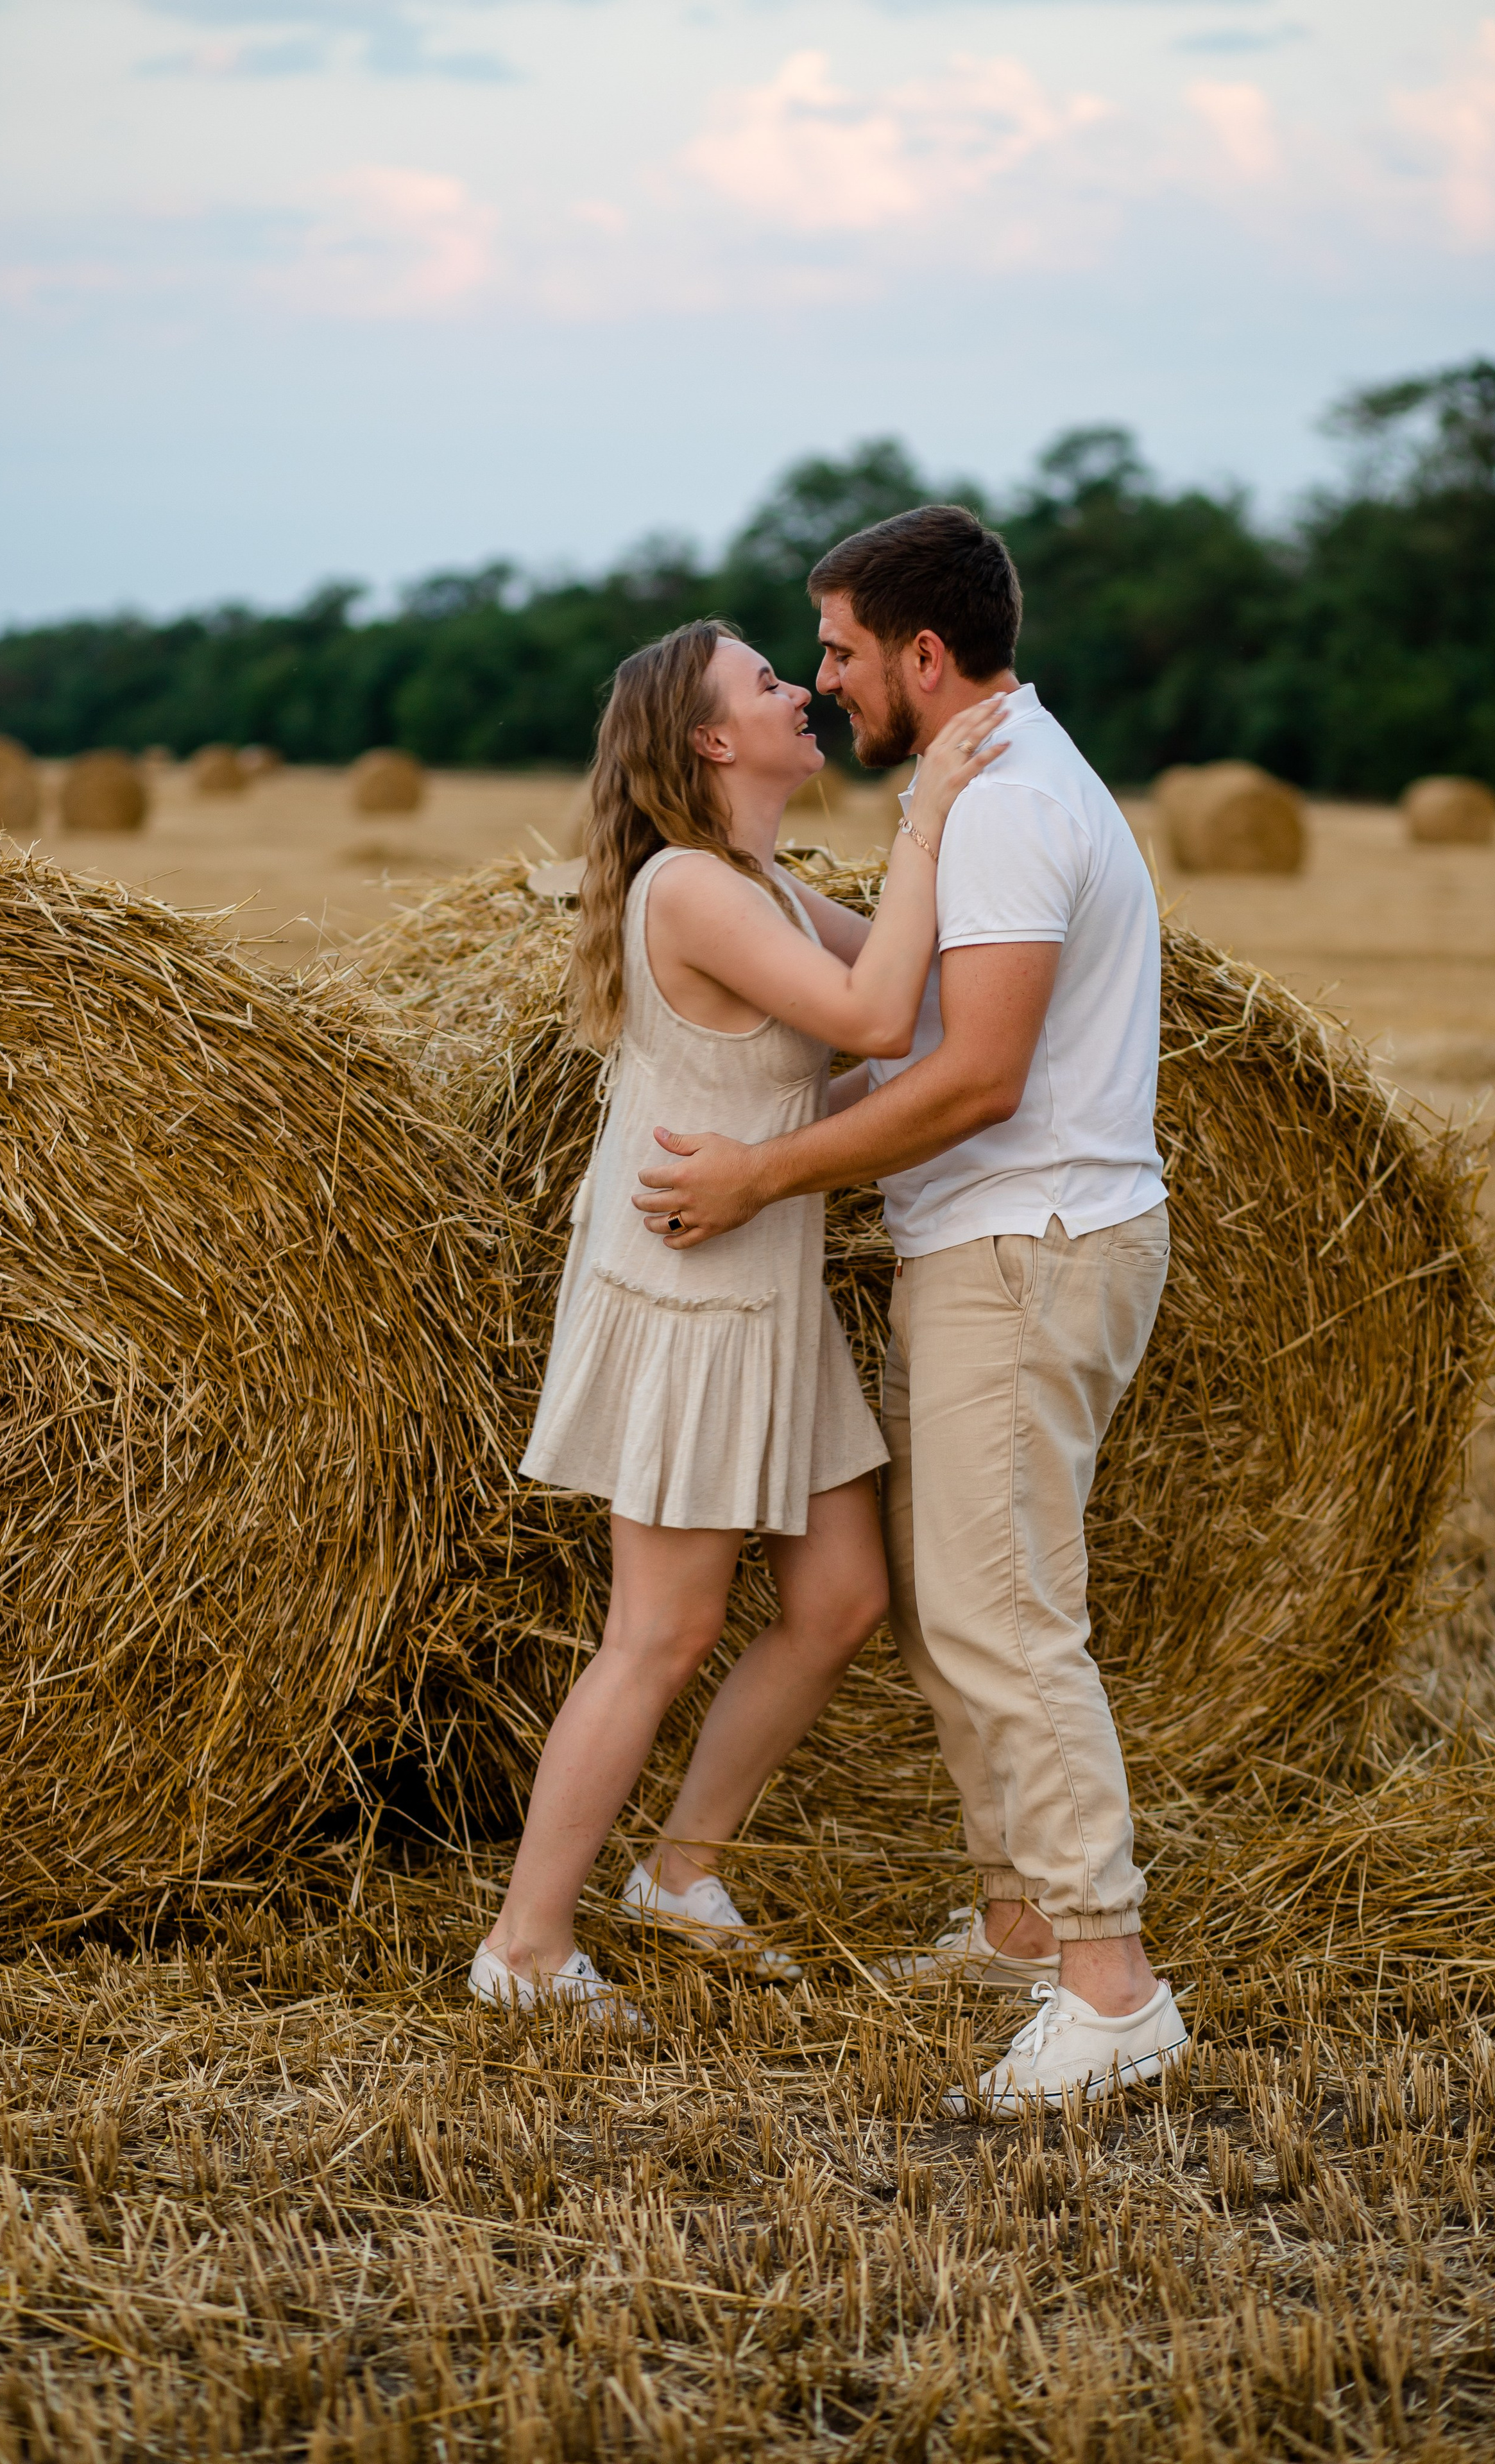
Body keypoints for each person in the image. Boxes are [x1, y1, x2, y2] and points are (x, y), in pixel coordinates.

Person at [631, 508, 1190, 2111]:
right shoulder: (996, 788)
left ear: (921, 657)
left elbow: (971, 1073)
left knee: (1005, 1618)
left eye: (839, 653)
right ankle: (1024, 1922)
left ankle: (1107, 1984)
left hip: (1024, 1250)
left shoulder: (1008, 808)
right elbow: (911, 1002)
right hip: (1006, 1244)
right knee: (965, 1602)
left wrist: (763, 1176)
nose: (824, 682)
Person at [471, 616, 1007, 2026]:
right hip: (688, 1289)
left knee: (835, 1601)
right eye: (765, 682)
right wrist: (930, 813)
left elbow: (933, 998)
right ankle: (524, 1949)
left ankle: (679, 1877)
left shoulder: (756, 881)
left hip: (757, 1271)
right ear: (709, 739)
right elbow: (882, 1013)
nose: (797, 692)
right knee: (660, 1627)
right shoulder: (689, 892)